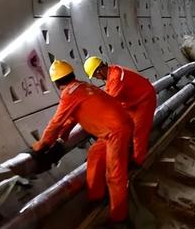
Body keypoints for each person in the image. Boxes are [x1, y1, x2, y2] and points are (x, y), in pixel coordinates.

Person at [32, 60, 133, 223]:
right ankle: (96, 196)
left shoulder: (69, 94)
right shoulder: (82, 86)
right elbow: (71, 117)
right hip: (112, 130)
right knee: (94, 155)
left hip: (116, 132)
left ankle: (118, 218)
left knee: (115, 175)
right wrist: (61, 139)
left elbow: (56, 122)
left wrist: (42, 143)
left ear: (57, 82)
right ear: (72, 74)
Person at [84, 56, 157, 167]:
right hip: (132, 101)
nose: (97, 78)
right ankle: (126, 152)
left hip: (144, 99)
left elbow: (109, 102)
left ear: (99, 71)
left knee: (138, 131)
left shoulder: (116, 77)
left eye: (95, 76)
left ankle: (138, 161)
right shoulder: (111, 74)